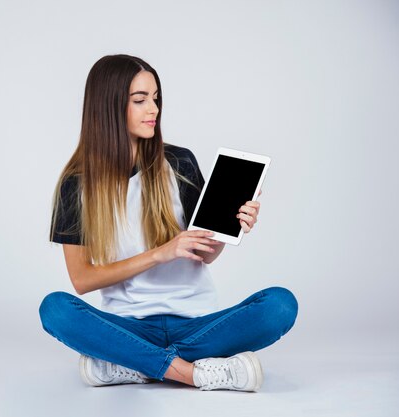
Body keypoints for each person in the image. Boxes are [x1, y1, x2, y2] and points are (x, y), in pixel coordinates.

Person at [39, 54, 298, 391]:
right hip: (127, 324)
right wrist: (161, 253)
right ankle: (191, 373)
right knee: (55, 310)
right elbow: (82, 280)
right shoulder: (77, 185)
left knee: (280, 304)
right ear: (108, 106)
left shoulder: (179, 163)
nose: (154, 110)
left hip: (197, 324)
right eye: (140, 100)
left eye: (156, 98)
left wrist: (227, 230)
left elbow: (204, 254)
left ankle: (132, 362)